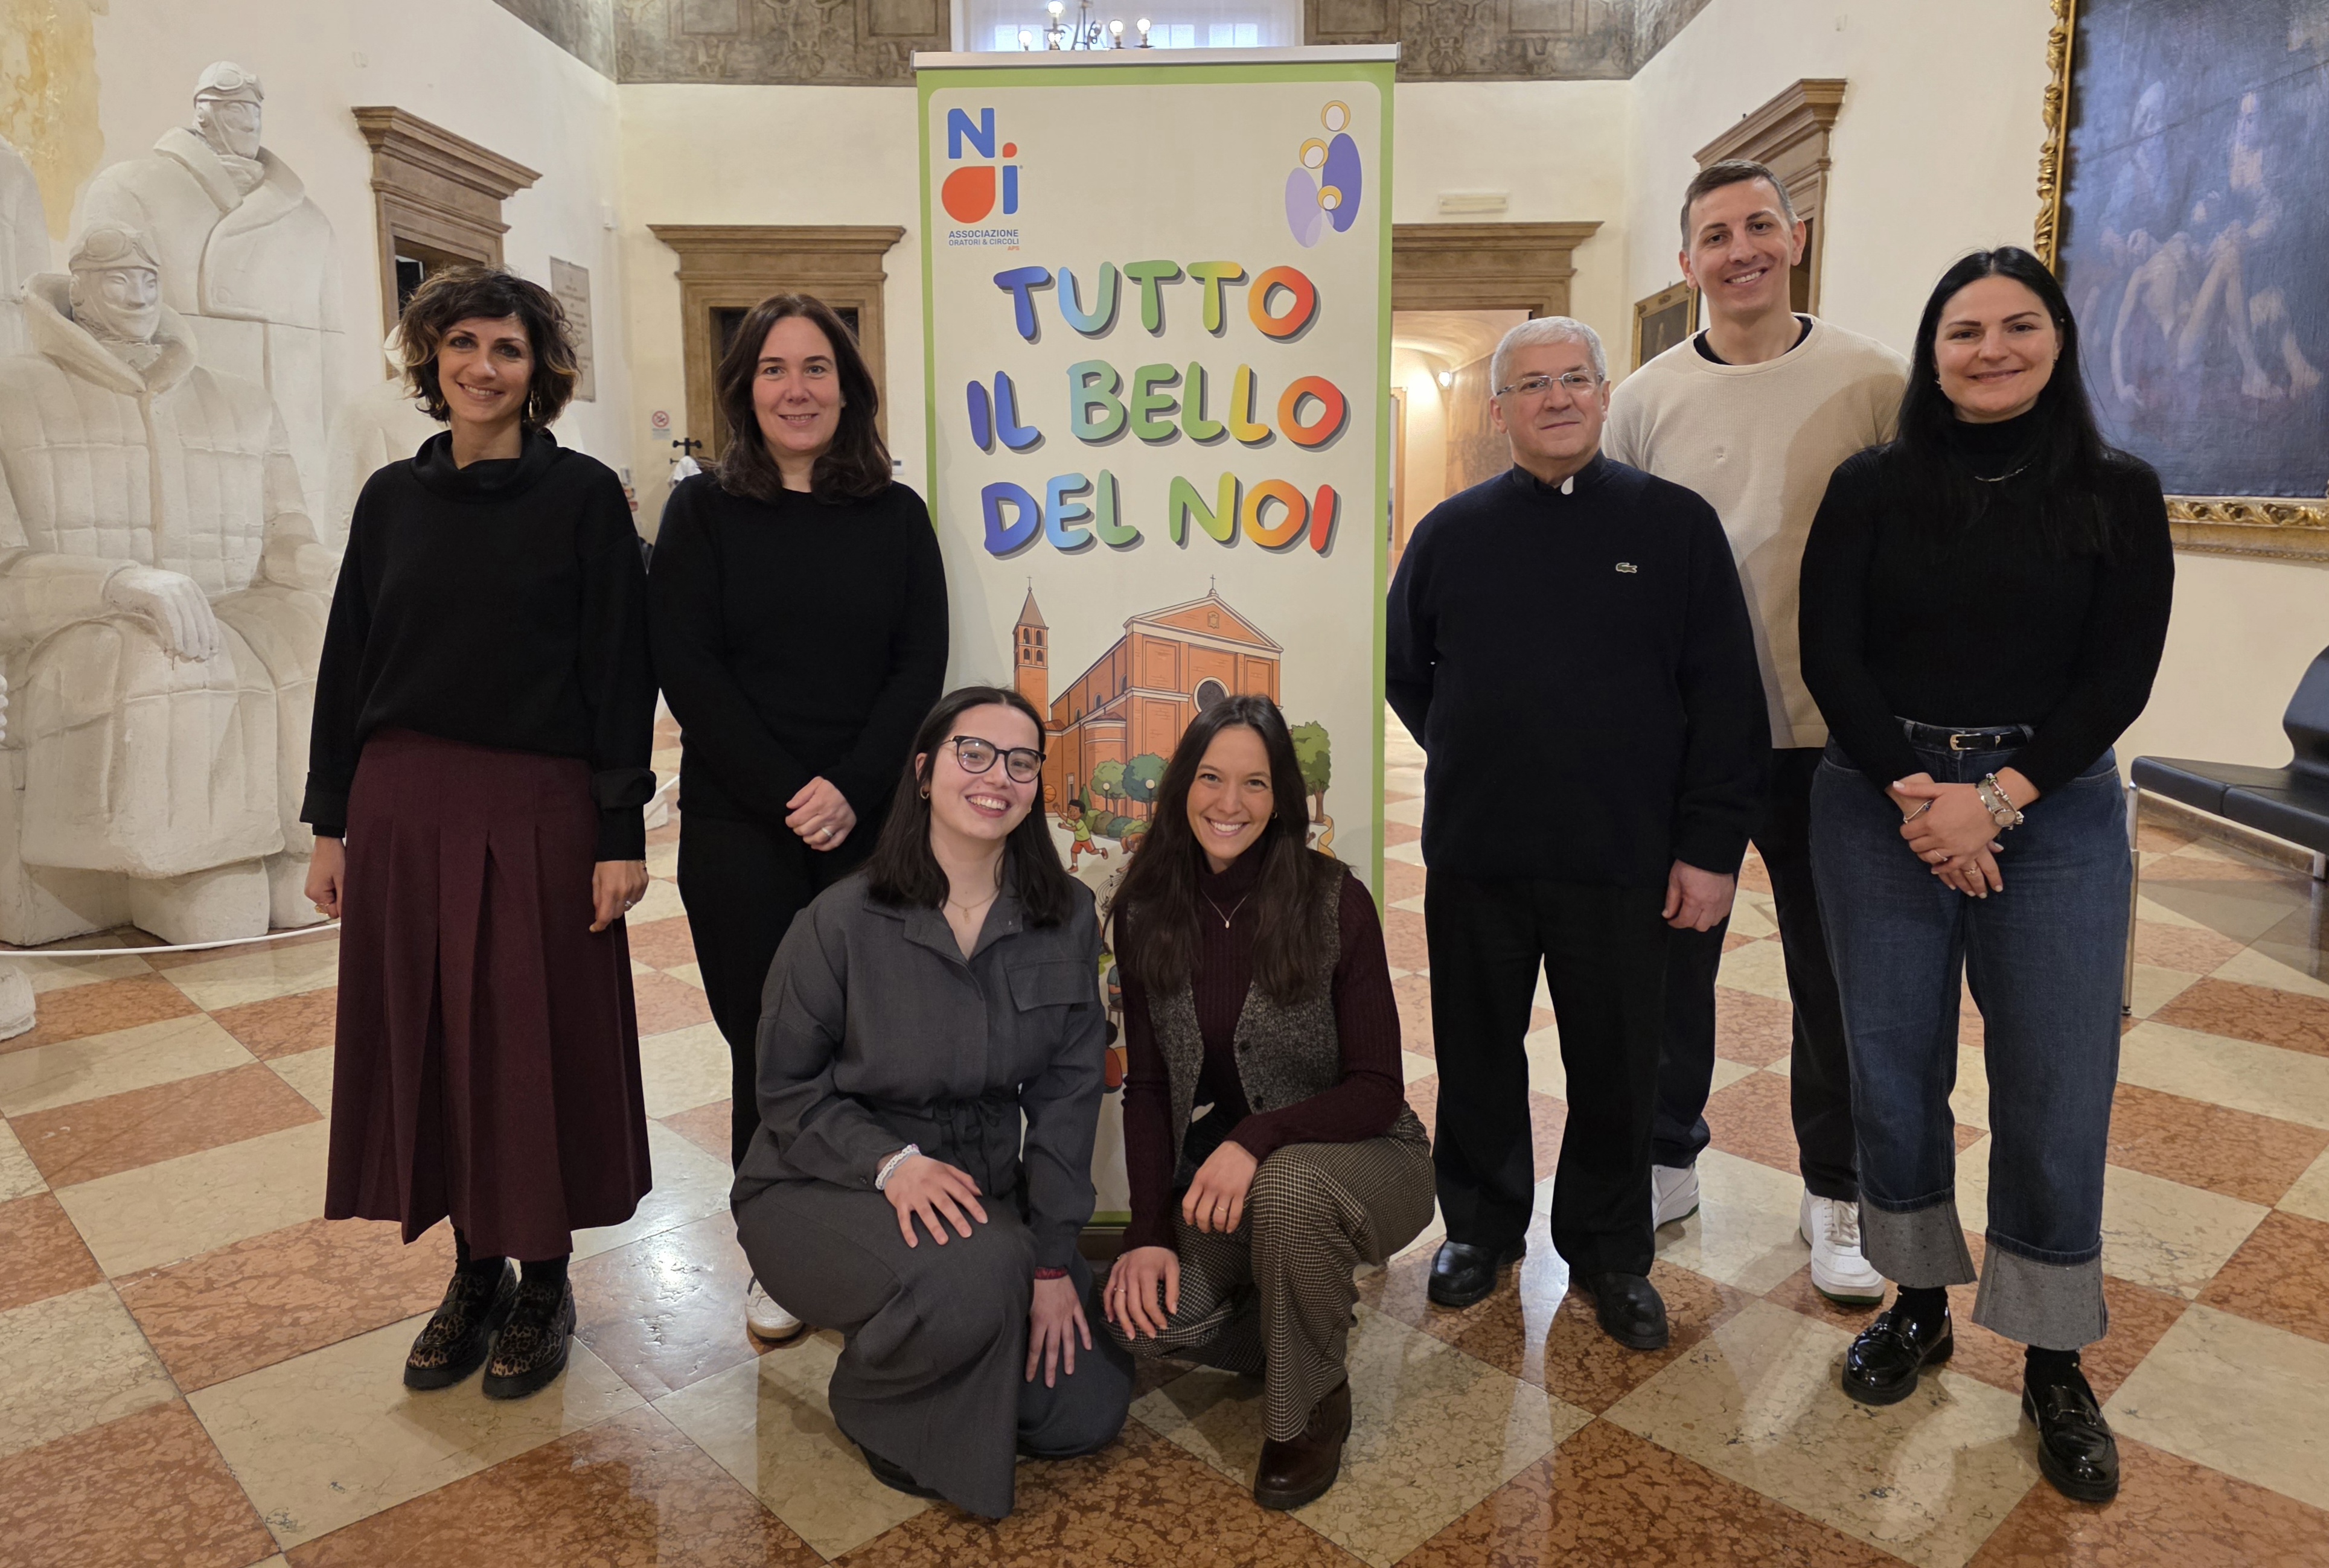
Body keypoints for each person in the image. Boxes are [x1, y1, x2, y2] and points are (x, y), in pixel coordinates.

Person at [1800, 248, 2173, 1503]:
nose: (1991, 349)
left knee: (2057, 1079)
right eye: (1964, 330)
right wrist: (1920, 794)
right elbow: (1829, 651)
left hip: (2053, 808)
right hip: (1883, 801)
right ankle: (1916, 1300)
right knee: (1890, 1063)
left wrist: (1996, 800)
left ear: (2058, 341)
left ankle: (2054, 1356)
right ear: (1932, 349)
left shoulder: (2117, 493)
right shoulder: (1872, 484)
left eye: (2018, 326)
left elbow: (2120, 675)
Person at [303, 267, 656, 1400]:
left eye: (506, 348)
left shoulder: (584, 497)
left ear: (537, 369)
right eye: (461, 344)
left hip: (538, 805)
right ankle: (472, 1268)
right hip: (403, 806)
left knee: (525, 1039)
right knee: (435, 1038)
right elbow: (347, 662)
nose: (482, 367)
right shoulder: (389, 501)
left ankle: (543, 1275)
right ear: (431, 360)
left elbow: (619, 669)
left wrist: (619, 826)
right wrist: (328, 822)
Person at [1387, 316, 1768, 1349]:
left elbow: (1724, 700)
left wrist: (1709, 848)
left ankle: (1607, 1249)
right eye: (1532, 384)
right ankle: (1480, 1226)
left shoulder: (1675, 526)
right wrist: (1482, 750)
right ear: (1498, 409)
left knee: (1618, 1060)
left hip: (1624, 854)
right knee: (1474, 1048)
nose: (1555, 398)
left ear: (1604, 394)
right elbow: (1407, 672)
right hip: (1479, 850)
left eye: (1573, 379)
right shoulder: (1450, 533)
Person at [1604, 158, 1909, 1303]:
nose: (1741, 251)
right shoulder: (1643, 401)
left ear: (1794, 237)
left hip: (1834, 737)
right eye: (1717, 235)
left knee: (1833, 975)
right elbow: (1615, 577)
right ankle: (1665, 1155)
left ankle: (1836, 1185)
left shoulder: (1873, 381)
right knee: (1666, 963)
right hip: (1684, 741)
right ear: (1686, 261)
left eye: (1759, 227)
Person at [732, 686, 1133, 1519]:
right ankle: (876, 1393)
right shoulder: (839, 919)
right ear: (923, 772)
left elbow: (1066, 1103)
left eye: (1020, 761)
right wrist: (890, 1163)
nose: (997, 776)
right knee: (982, 1270)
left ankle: (955, 1328)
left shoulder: (1064, 916)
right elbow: (787, 1091)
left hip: (978, 1189)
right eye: (972, 753)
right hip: (823, 1182)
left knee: (1081, 1409)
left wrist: (1054, 1262)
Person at [648, 293, 947, 1344]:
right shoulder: (701, 512)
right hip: (740, 826)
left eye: (816, 367)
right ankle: (779, 1252)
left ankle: (874, 1239)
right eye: (773, 369)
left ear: (848, 388)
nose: (796, 389)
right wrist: (790, 790)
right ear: (744, 390)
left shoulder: (896, 515)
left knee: (873, 1043)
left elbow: (918, 664)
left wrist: (852, 787)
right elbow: (687, 665)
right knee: (768, 1044)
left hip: (870, 823)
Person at [1102, 696, 1432, 1511]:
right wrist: (1147, 1234)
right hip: (1246, 1186)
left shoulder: (1333, 899)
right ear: (1183, 786)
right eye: (1211, 778)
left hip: (1371, 1155)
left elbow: (1376, 1088)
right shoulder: (1146, 908)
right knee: (1142, 1319)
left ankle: (1308, 1405)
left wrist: (1256, 1136)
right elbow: (1149, 1088)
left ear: (1283, 796)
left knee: (1286, 1186)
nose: (1230, 802)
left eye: (1255, 783)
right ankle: (1302, 1314)